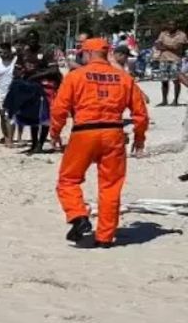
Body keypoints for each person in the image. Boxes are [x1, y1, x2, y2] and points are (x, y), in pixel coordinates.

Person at [50, 38, 149, 248]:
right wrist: (139, 138)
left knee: (68, 180)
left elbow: (59, 109)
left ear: (87, 54)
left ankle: (78, 215)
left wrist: (55, 132)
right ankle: (105, 236)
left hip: (84, 132)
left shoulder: (76, 76)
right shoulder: (123, 77)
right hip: (113, 133)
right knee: (111, 186)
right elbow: (140, 113)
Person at [4, 56, 50, 155]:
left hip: (46, 99)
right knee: (34, 123)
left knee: (45, 122)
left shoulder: (44, 72)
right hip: (33, 102)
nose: (29, 66)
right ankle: (34, 144)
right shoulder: (24, 75)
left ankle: (40, 144)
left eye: (32, 64)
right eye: (28, 64)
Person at [0, 45, 18, 147]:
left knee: (11, 116)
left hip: (13, 91)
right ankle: (6, 137)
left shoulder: (15, 61)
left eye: (6, 52)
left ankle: (10, 139)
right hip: (0, 91)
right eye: (2, 52)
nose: (3, 54)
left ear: (10, 51)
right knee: (3, 116)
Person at [154, 23, 187, 106]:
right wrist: (170, 47)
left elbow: (177, 47)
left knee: (176, 80)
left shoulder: (182, 35)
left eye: (172, 25)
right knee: (164, 81)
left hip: (175, 59)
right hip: (163, 59)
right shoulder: (163, 33)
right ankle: (164, 100)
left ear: (176, 26)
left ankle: (175, 100)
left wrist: (164, 46)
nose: (170, 26)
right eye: (169, 25)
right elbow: (157, 45)